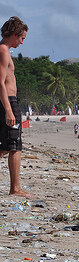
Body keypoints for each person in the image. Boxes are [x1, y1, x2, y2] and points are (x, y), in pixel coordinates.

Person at [0, 16, 30, 197]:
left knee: (5, 144)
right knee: (15, 145)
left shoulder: (4, 51)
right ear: (14, 34)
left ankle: (16, 187)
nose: (22, 42)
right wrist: (9, 110)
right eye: (22, 38)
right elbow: (0, 82)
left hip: (8, 102)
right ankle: (15, 188)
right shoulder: (3, 51)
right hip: (8, 102)